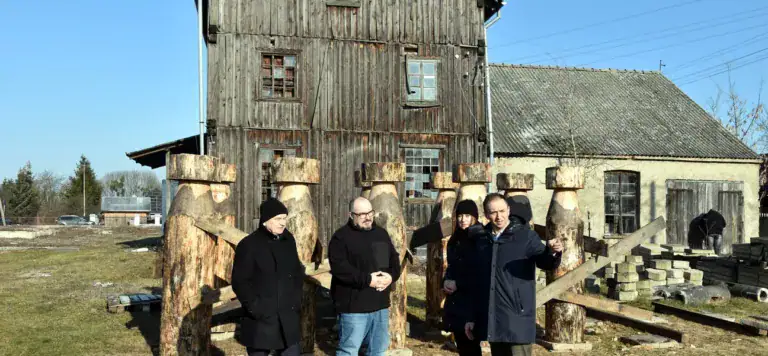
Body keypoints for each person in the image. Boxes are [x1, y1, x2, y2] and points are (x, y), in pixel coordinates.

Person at [465, 194, 563, 356]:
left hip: (517, 318)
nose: (499, 217)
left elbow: (545, 262)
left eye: (502, 211)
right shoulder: (482, 240)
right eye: (493, 212)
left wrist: (552, 252)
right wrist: (471, 317)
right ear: (486, 214)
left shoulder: (526, 237)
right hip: (494, 320)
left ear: (509, 210)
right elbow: (476, 282)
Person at [328, 197, 402, 356]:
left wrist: (390, 277)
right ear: (351, 215)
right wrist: (368, 280)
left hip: (380, 306)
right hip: (354, 307)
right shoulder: (341, 238)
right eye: (361, 214)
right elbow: (341, 269)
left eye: (370, 212)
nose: (368, 217)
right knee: (349, 350)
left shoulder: (381, 234)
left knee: (378, 350)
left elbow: (394, 260)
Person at [231, 198, 304, 356]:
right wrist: (256, 308)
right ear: (265, 220)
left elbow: (297, 272)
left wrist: (296, 300)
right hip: (261, 321)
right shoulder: (249, 245)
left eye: (284, 218)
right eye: (278, 219)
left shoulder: (288, 240)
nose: (283, 223)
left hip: (287, 317)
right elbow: (240, 281)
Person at [442, 200, 484, 356]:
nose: (463, 219)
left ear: (474, 217)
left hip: (472, 301)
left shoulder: (480, 238)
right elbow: (452, 267)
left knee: (471, 345)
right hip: (457, 299)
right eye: (460, 215)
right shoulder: (456, 237)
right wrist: (445, 281)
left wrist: (458, 283)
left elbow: (480, 272)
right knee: (462, 345)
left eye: (467, 215)